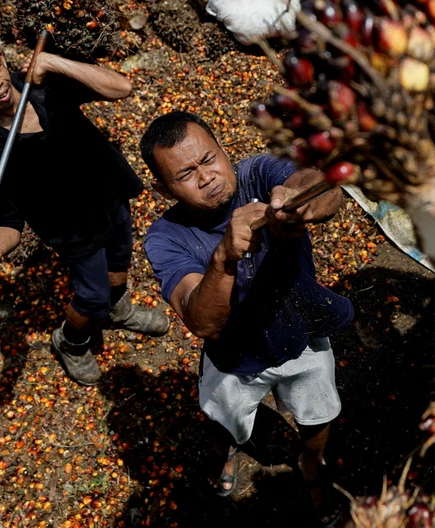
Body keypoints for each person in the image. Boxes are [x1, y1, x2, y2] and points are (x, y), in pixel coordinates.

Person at [140, 111, 353, 526]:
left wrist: (296, 205)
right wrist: (224, 257)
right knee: (222, 418)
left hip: (302, 337)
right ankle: (225, 453)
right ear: (163, 189)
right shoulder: (165, 237)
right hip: (233, 357)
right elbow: (202, 323)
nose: (206, 177)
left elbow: (322, 187)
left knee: (318, 415)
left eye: (208, 159)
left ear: (223, 149)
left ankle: (311, 465)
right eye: (185, 174)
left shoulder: (259, 174)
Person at [0, 27, 170, 387]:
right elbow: (7, 223)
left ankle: (119, 312)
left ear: (2, 57)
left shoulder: (43, 85)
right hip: (72, 229)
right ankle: (70, 342)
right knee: (92, 298)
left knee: (119, 265)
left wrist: (54, 62)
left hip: (110, 193)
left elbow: (121, 88)